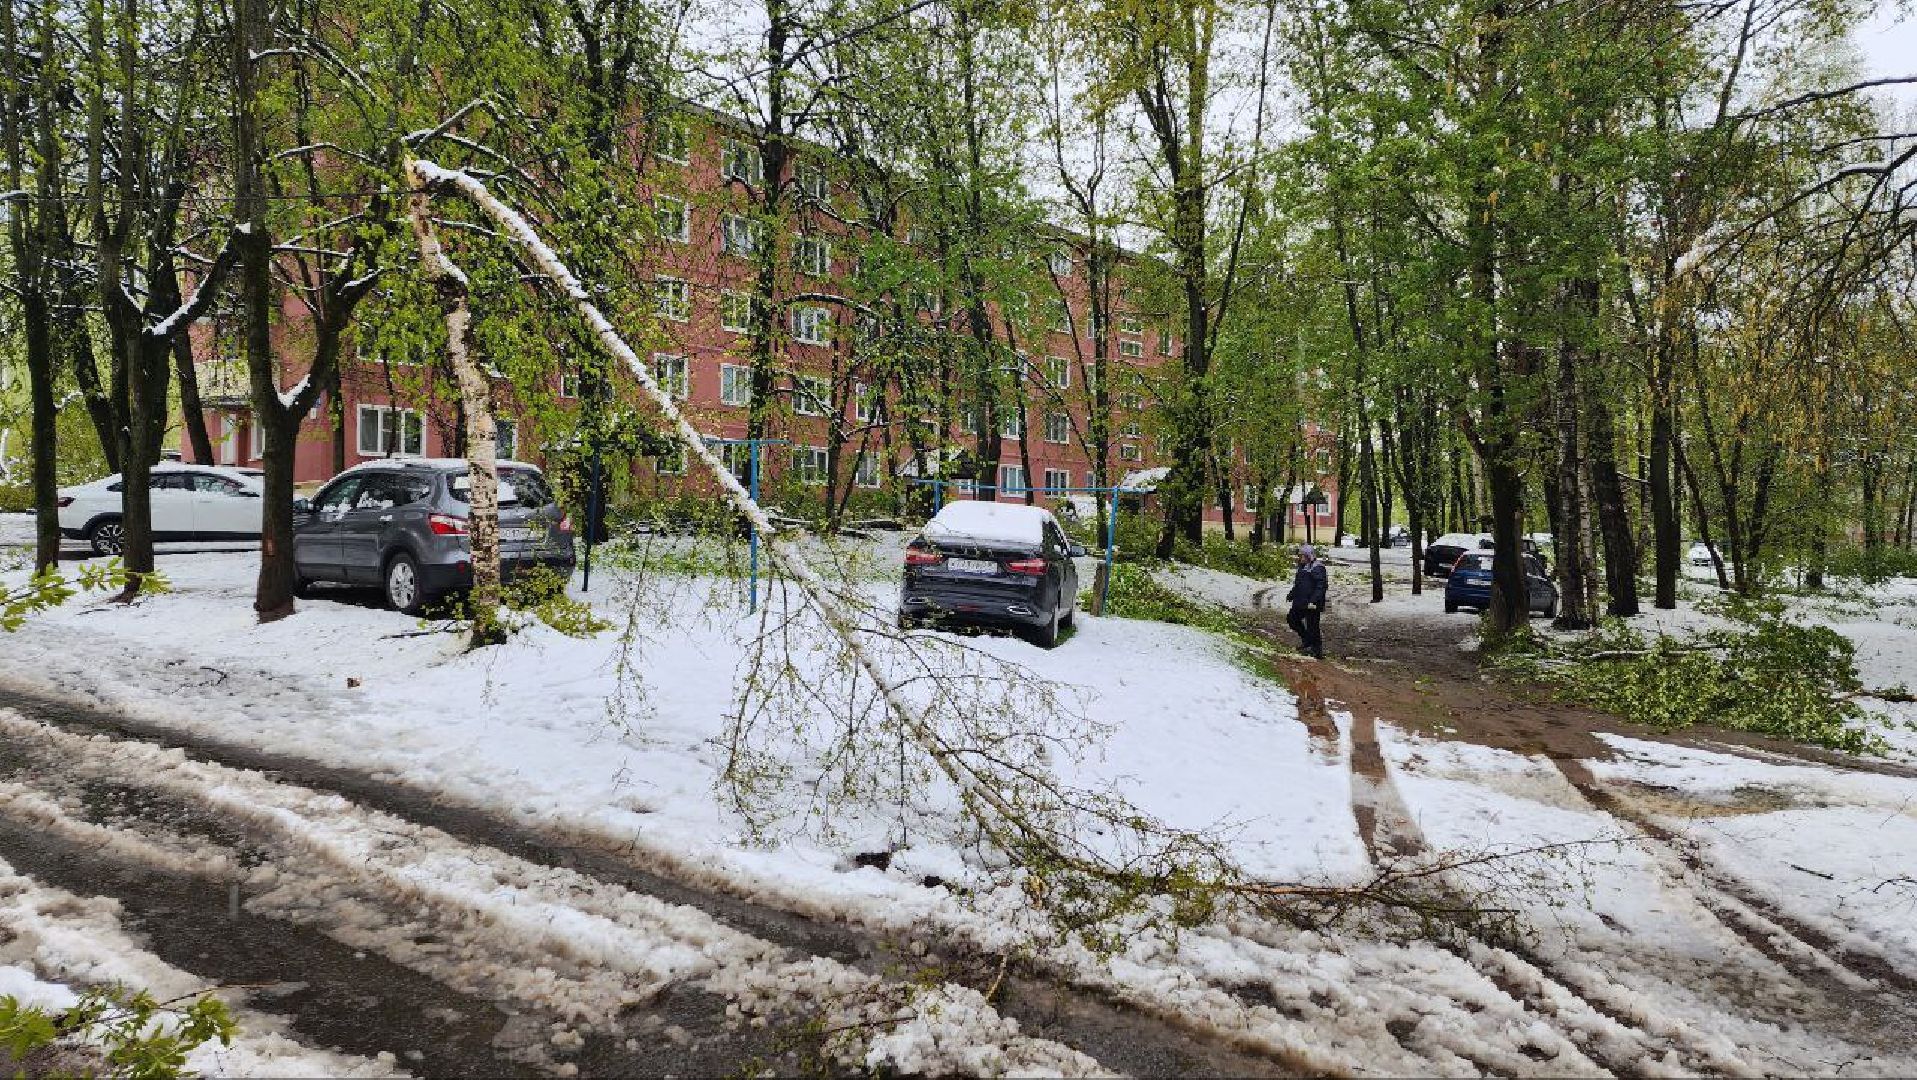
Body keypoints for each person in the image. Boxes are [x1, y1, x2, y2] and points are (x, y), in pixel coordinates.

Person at [1286, 543, 1328, 659]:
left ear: (1308, 556)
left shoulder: (1318, 568)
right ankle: (1307, 640)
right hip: (1301, 601)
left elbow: (1321, 586)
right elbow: (1299, 584)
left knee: (1313, 626)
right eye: (1299, 555)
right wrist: (1292, 594)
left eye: (1302, 555)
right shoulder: (1302, 567)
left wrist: (1313, 600)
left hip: (1312, 603)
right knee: (1292, 619)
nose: (1300, 558)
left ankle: (1317, 650)